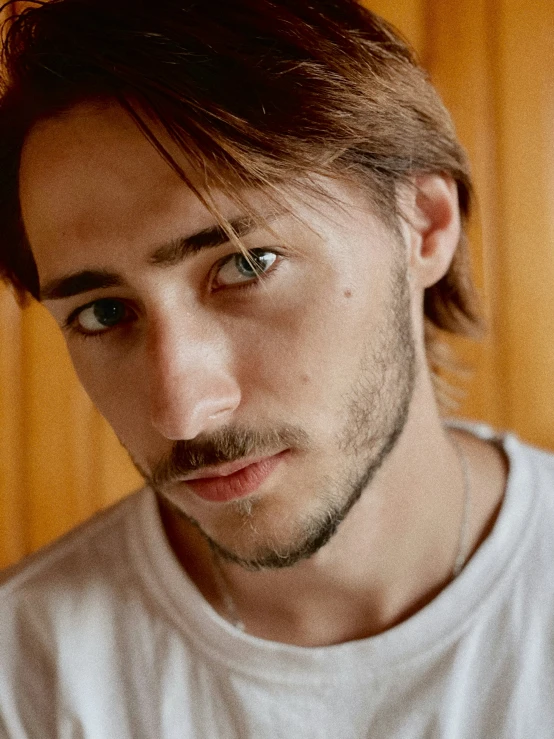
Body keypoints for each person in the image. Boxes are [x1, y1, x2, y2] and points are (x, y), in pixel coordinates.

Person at [0, 0, 552, 736]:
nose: (183, 409)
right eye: (103, 313)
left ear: (423, 225)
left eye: (244, 263)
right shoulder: (24, 676)